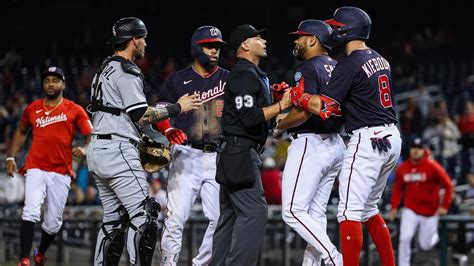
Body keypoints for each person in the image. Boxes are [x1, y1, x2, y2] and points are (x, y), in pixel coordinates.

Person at [289, 7, 402, 266]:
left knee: (347, 213)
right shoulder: (380, 58)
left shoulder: (350, 63)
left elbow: (327, 109)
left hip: (368, 138)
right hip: (391, 137)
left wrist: (301, 97)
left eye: (337, 26)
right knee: (370, 209)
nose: (333, 30)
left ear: (347, 30)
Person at [86, 17, 200, 266]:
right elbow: (141, 113)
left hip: (98, 149)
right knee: (145, 216)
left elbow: (112, 113)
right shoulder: (127, 70)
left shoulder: (103, 70)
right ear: (134, 40)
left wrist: (142, 136)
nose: (146, 44)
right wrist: (177, 107)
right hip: (117, 151)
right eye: (144, 38)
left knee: (113, 222)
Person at [210, 24, 293, 266]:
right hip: (239, 151)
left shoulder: (250, 73)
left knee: (230, 215)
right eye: (258, 38)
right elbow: (249, 117)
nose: (264, 41)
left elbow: (251, 113)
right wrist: (281, 105)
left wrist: (272, 99)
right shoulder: (244, 73)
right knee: (255, 211)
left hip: (234, 150)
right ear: (245, 45)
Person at [154, 25, 228, 265]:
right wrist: (168, 128)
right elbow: (158, 113)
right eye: (209, 46)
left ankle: (200, 264)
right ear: (197, 47)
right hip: (186, 155)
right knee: (175, 218)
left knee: (220, 220)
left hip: (218, 156)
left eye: (217, 46)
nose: (214, 51)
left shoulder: (229, 78)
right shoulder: (177, 80)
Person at [5, 66, 93, 266]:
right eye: (47, 81)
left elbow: (91, 134)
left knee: (53, 223)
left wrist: (87, 149)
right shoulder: (33, 108)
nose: (50, 84)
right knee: (30, 211)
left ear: (63, 84)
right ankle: (24, 259)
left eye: (55, 80)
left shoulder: (75, 109)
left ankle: (40, 253)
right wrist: (11, 157)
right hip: (35, 166)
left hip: (61, 171)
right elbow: (21, 131)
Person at [275, 19, 344, 266]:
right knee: (315, 214)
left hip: (311, 144)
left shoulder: (308, 67)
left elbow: (304, 113)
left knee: (292, 211)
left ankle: (334, 258)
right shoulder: (338, 66)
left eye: (300, 36)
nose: (296, 41)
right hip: (336, 145)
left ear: (313, 40)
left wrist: (278, 124)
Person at [388, 137, 453, 266]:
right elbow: (397, 188)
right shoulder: (403, 168)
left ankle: (435, 236)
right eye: (414, 148)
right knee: (404, 237)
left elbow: (448, 185)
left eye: (419, 148)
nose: (416, 151)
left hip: (429, 210)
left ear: (424, 150)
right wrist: (394, 207)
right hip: (410, 208)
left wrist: (445, 205)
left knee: (425, 245)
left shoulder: (433, 166)